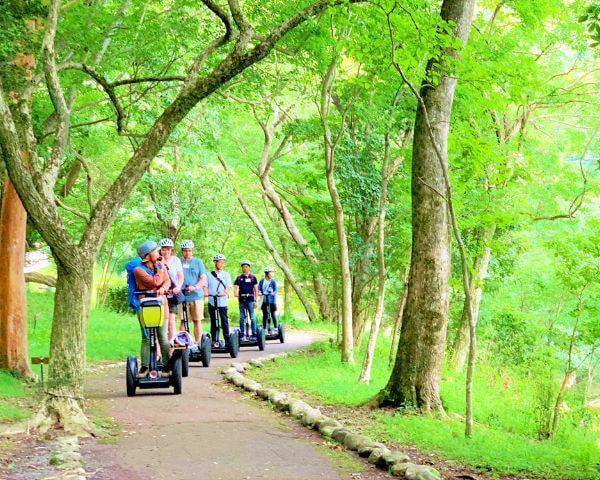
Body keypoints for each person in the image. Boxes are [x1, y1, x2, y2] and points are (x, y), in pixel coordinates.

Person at [133, 240, 171, 378]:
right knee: (147, 338)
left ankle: (167, 366)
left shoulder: (160, 265)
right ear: (147, 255)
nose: (159, 253)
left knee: (163, 337)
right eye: (156, 251)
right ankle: (145, 367)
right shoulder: (138, 270)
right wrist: (160, 270)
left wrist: (163, 289)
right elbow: (154, 282)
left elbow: (167, 281)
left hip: (162, 305)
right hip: (146, 307)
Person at [178, 239, 207, 343]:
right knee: (182, 321)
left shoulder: (198, 262)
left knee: (197, 320)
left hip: (196, 296)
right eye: (185, 250)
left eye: (189, 250)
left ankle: (198, 343)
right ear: (182, 251)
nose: (187, 252)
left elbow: (203, 278)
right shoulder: (179, 261)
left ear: (192, 251)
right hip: (182, 296)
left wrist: (195, 287)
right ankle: (182, 343)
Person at [158, 238, 184, 341]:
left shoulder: (175, 260)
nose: (166, 252)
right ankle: (161, 347)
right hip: (161, 295)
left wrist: (178, 286)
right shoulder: (157, 261)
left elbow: (180, 276)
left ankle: (172, 347)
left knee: (171, 322)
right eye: (164, 249)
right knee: (161, 323)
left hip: (172, 294)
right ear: (160, 250)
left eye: (168, 249)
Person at [206, 253, 232, 347]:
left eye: (222, 262)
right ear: (215, 262)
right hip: (212, 301)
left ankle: (227, 341)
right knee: (213, 321)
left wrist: (224, 292)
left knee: (224, 321)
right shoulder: (208, 274)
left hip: (223, 302)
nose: (221, 264)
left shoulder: (226, 274)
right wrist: (206, 293)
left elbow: (228, 286)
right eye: (219, 262)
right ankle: (214, 340)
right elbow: (205, 286)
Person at [233, 259, 258, 341]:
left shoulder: (253, 277)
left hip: (250, 299)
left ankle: (254, 334)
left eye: (246, 267)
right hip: (242, 299)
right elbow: (236, 287)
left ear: (249, 267)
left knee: (252, 317)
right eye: (243, 267)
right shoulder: (239, 277)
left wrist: (256, 300)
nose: (245, 268)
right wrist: (236, 293)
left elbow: (256, 290)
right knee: (242, 317)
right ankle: (242, 334)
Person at [258, 267, 278, 333]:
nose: (272, 274)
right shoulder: (262, 281)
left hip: (272, 301)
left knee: (273, 314)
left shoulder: (273, 281)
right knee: (265, 315)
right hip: (264, 300)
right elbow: (259, 289)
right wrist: (260, 293)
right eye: (271, 273)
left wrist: (273, 293)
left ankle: (275, 328)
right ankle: (265, 329)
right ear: (267, 274)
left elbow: (276, 290)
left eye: (272, 273)